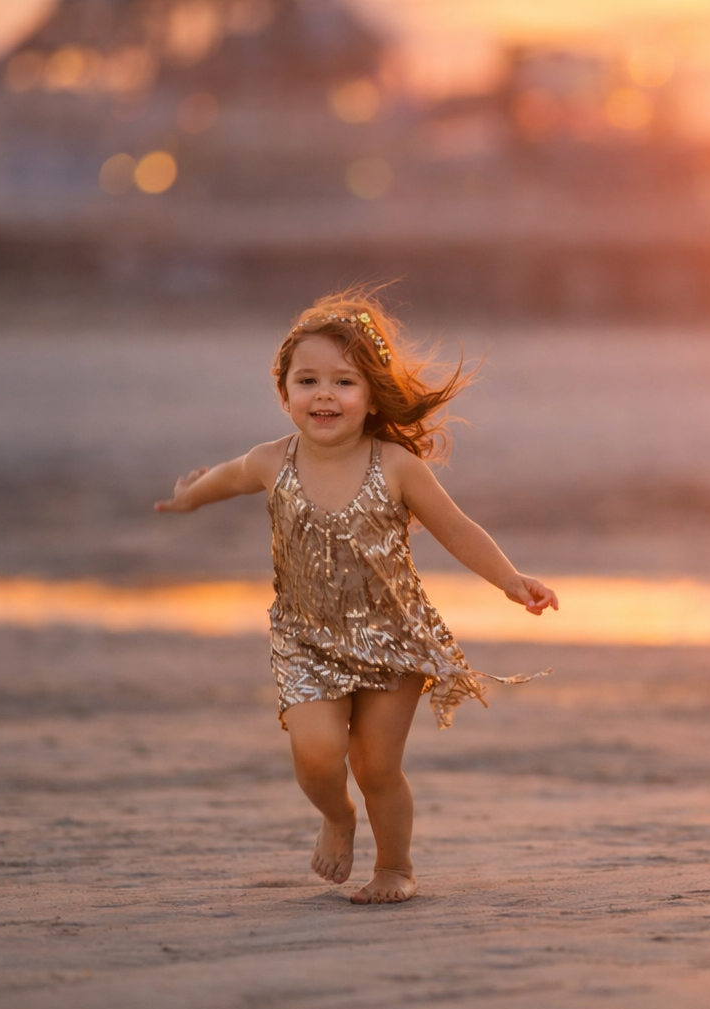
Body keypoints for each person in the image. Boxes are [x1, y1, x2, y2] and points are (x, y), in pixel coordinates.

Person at [155, 291, 557, 904]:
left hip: (392, 639)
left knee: (376, 767)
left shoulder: (395, 465)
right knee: (316, 757)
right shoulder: (271, 461)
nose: (324, 394)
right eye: (307, 380)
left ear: (370, 395)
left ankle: (395, 866)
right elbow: (226, 478)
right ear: (284, 391)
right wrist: (190, 497)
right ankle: (338, 816)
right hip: (306, 638)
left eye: (343, 382)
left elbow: (457, 529)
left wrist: (510, 580)